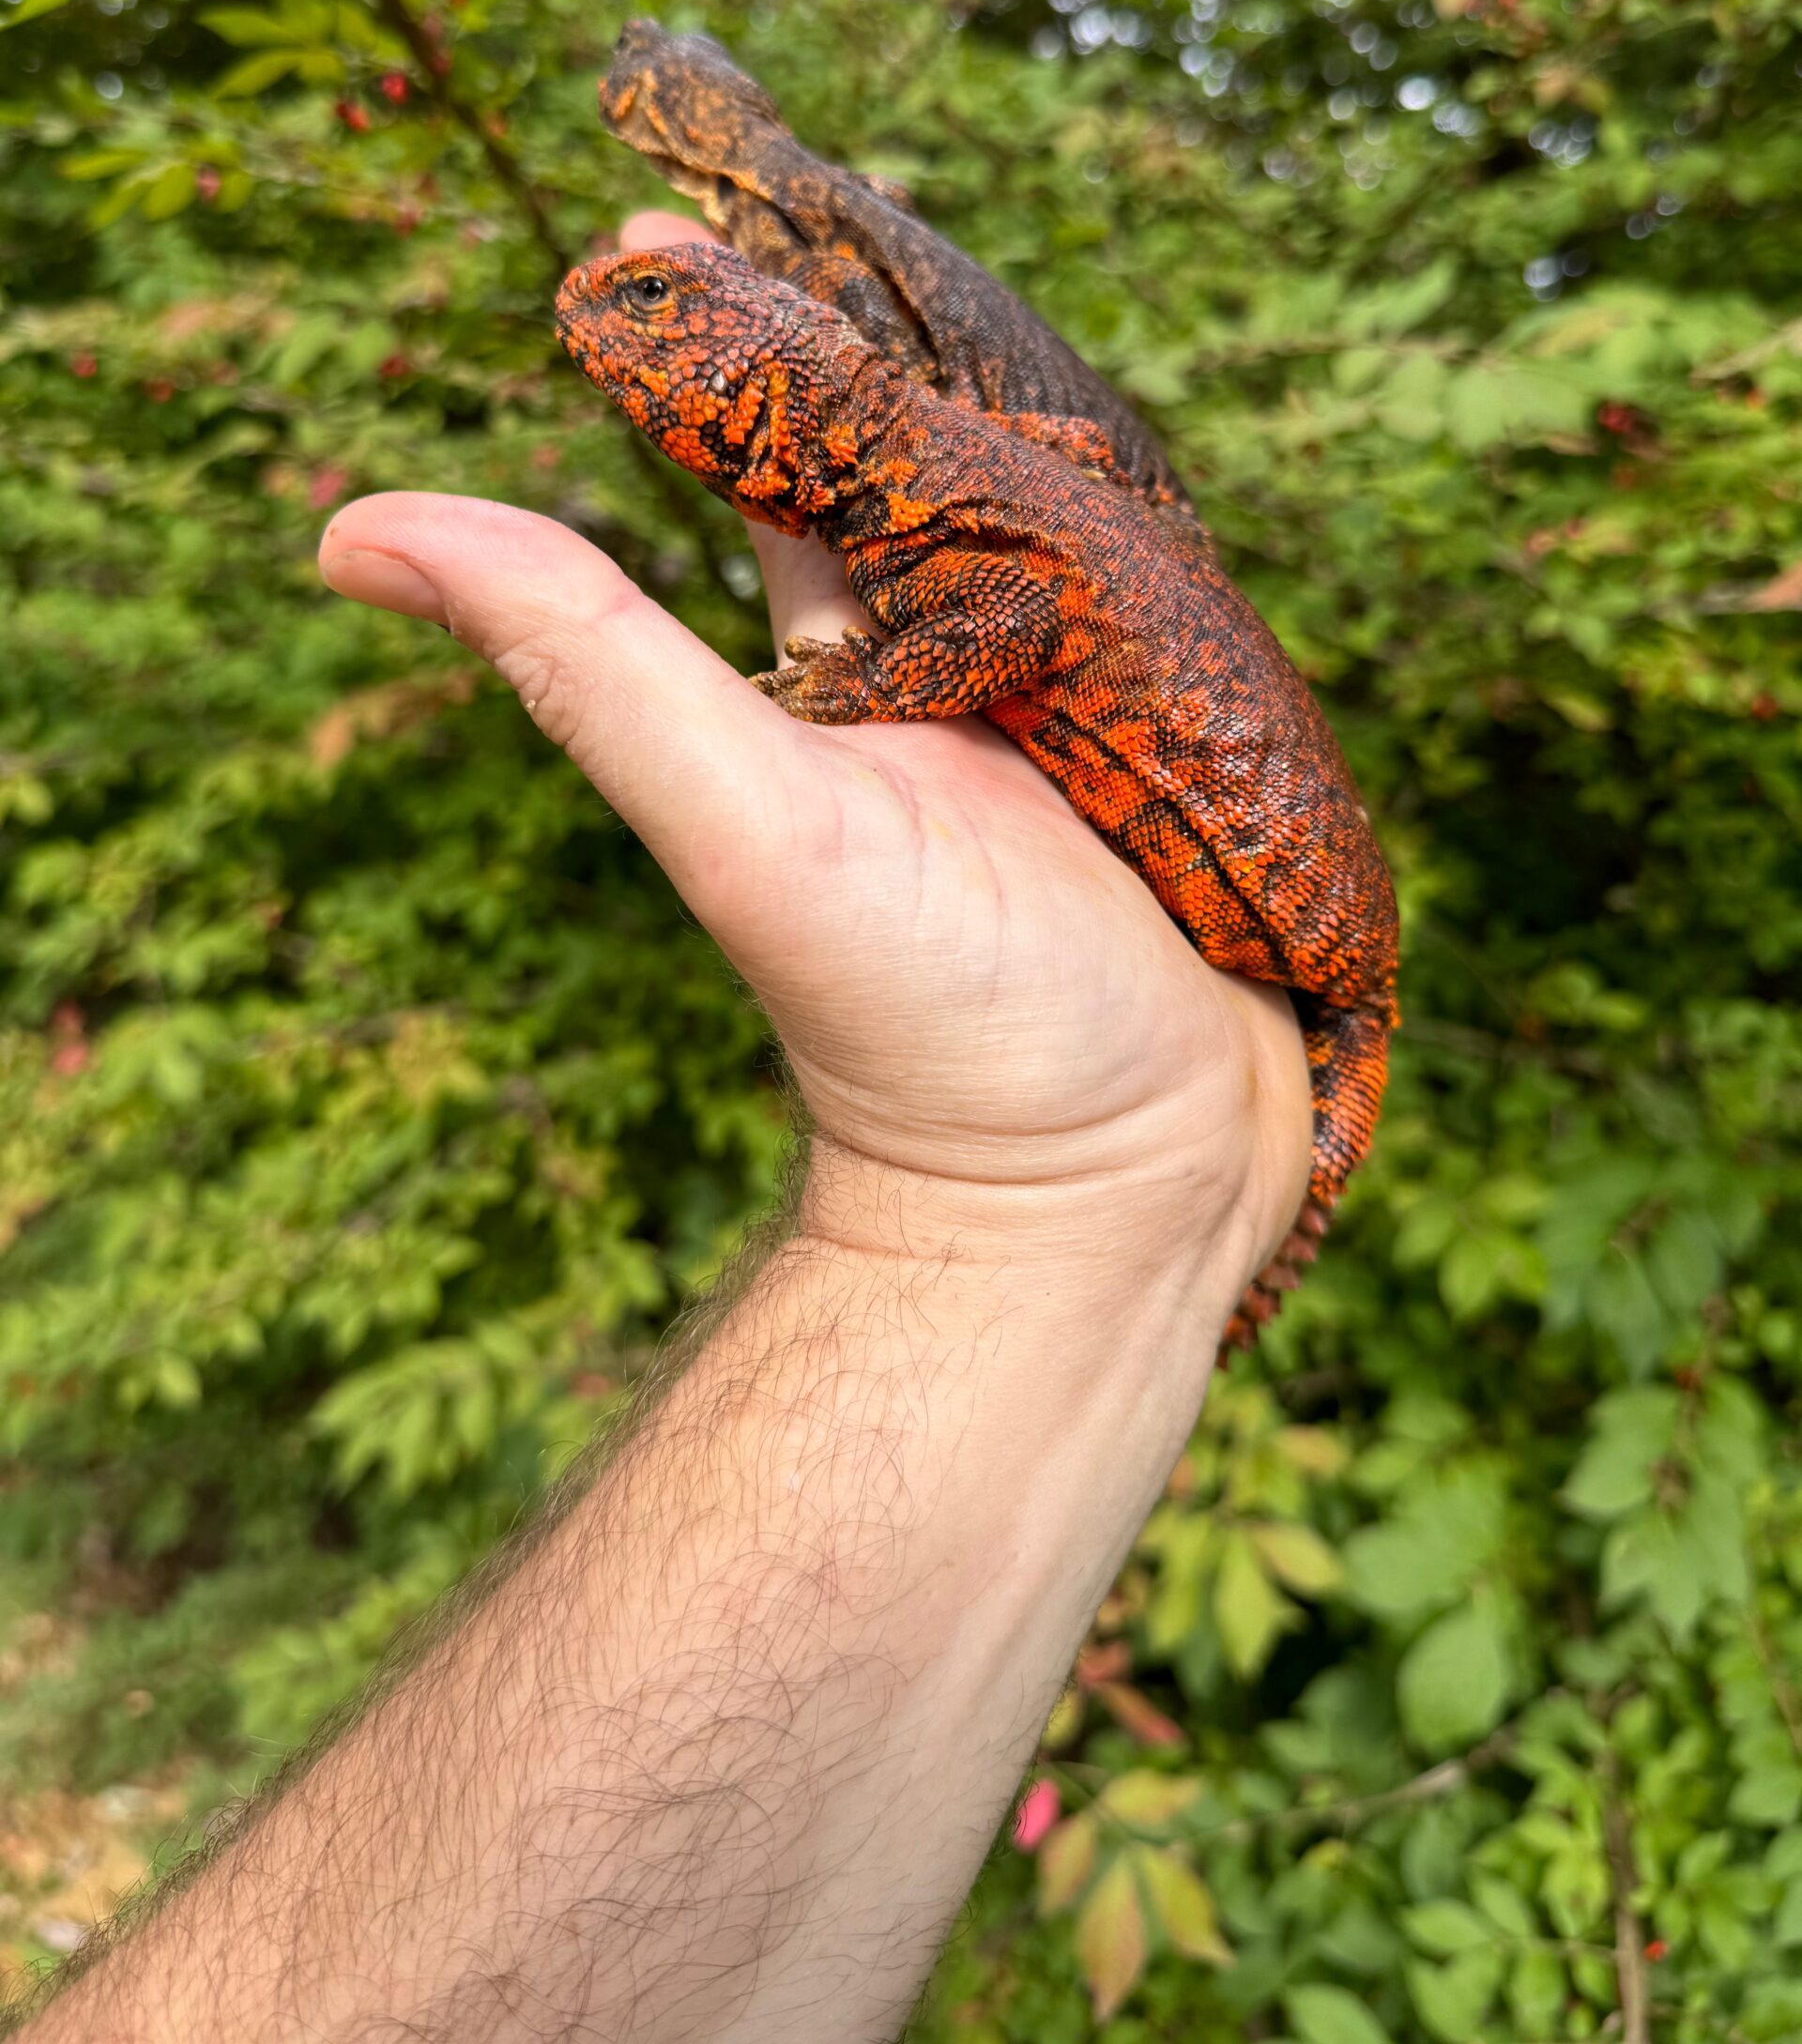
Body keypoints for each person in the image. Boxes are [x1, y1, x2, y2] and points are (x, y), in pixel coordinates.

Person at [24, 213, 1310, 2044]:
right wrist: (1058, 1211)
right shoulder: (903, 477)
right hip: (1220, 957)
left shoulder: (946, 499)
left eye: (657, 317)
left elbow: (1017, 609)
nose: (602, 330)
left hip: (1298, 921)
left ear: (775, 377)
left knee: (1308, 1152)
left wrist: (868, 688)